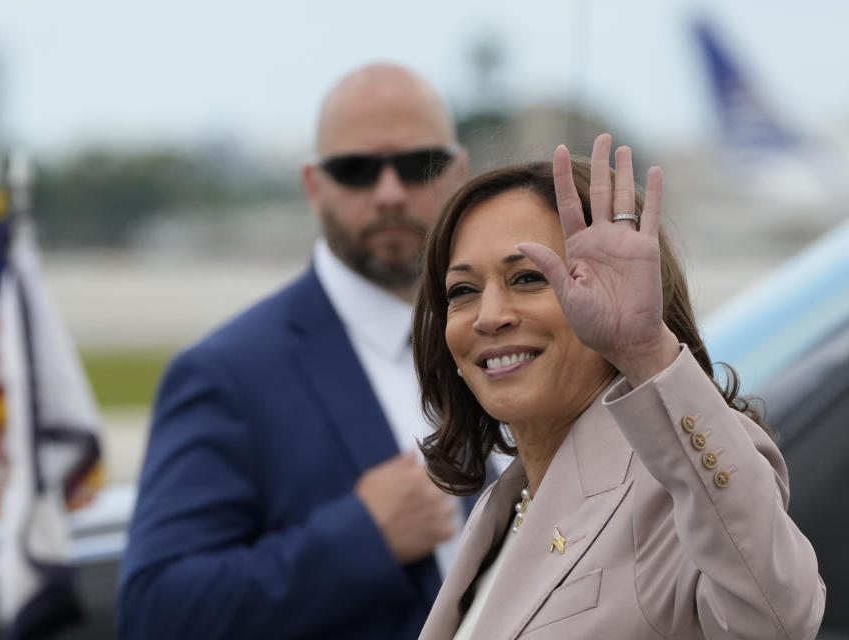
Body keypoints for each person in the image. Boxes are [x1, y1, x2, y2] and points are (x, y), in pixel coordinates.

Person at [412, 134, 826, 639]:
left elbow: (779, 618)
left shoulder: (675, 484)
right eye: (463, 291)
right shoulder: (503, 507)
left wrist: (644, 350)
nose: (491, 316)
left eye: (528, 278)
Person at [116, 63, 471, 639]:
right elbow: (155, 612)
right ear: (313, 185)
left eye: (417, 165)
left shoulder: (504, 339)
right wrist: (361, 536)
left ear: (459, 173)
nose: (389, 193)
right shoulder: (226, 374)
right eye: (356, 170)